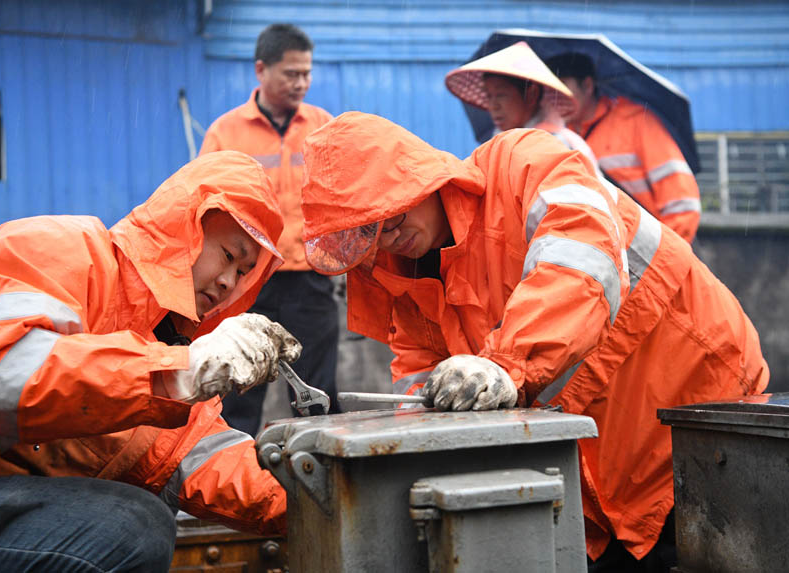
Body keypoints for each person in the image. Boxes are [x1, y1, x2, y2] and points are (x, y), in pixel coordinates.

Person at [299, 111, 769, 570]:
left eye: (391, 214)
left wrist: (506, 363)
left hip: (693, 410)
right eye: (365, 230)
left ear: (418, 179)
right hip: (598, 463)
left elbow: (580, 262)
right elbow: (420, 383)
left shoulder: (523, 164)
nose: (387, 237)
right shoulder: (401, 275)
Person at [0, 151, 298, 570]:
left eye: (245, 273)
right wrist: (178, 372)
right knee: (130, 525)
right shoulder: (54, 250)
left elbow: (221, 466)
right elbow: (3, 380)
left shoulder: (166, 359)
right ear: (184, 225)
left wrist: (325, 489)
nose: (229, 282)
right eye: (229, 256)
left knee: (134, 517)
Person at [198, 23, 340, 434]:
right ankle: (233, 465)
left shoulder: (323, 127)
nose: (301, 83)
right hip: (246, 283)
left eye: (306, 73)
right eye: (291, 73)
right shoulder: (226, 132)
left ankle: (322, 462)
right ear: (261, 69)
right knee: (238, 389)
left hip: (310, 280)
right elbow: (202, 204)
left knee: (318, 390)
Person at [546, 52, 702, 243]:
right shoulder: (557, 137)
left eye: (561, 86)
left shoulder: (636, 121)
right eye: (549, 90)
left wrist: (664, 255)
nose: (554, 97)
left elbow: (682, 204)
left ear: (587, 85)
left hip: (652, 251)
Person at [445, 41, 599, 171]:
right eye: (489, 96)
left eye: (501, 95)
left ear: (531, 94)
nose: (493, 106)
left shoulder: (555, 144)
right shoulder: (501, 146)